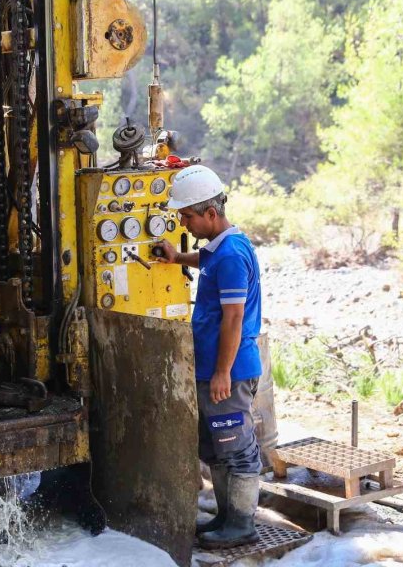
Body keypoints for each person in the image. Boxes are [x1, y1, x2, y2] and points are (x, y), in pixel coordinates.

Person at [155, 164, 262, 549]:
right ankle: (226, 516)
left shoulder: (232, 255)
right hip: (216, 368)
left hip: (229, 371)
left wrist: (222, 372)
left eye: (187, 216)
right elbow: (208, 263)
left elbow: (233, 318)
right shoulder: (224, 248)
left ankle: (243, 524)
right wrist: (177, 258)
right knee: (219, 444)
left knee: (236, 446)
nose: (184, 223)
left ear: (211, 214)